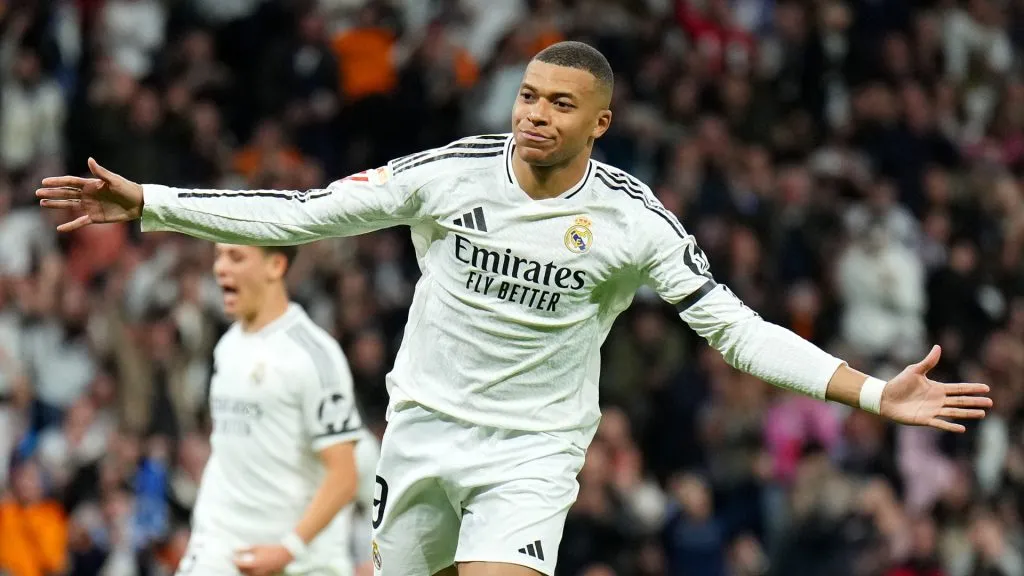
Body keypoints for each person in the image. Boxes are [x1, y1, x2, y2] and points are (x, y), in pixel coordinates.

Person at [37, 41, 992, 576]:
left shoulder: (631, 222)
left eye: (559, 104)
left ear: (599, 123)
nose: (534, 114)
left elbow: (733, 329)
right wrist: (150, 205)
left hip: (532, 452)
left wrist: (869, 393)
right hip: (420, 433)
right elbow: (301, 213)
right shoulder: (449, 175)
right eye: (528, 96)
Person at [171, 243, 363, 576]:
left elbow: (345, 475)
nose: (220, 268)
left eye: (236, 257)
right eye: (218, 256)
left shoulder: (314, 355)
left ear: (275, 266)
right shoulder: (228, 346)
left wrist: (288, 549)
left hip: (303, 560)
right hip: (222, 548)